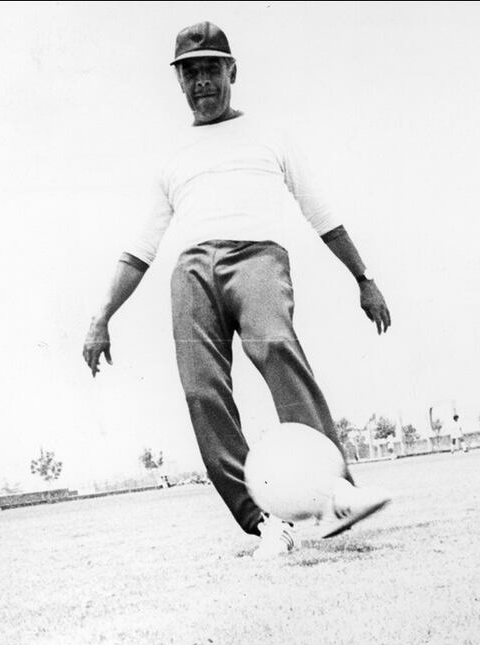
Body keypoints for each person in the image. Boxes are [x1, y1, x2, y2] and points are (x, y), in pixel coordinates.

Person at [82, 22, 392, 560]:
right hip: (191, 272)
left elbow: (320, 212)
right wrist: (101, 316)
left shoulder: (269, 135)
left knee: (276, 347)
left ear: (232, 71)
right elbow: (141, 247)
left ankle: (336, 493)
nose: (201, 81)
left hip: (257, 258)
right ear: (179, 80)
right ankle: (264, 522)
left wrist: (363, 278)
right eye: (190, 72)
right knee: (202, 392)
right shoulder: (171, 154)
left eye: (211, 68)